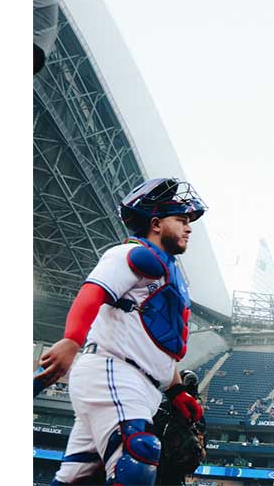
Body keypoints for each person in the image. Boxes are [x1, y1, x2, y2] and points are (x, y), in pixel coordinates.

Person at [36, 178, 209, 484]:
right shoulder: (130, 254)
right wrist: (71, 340)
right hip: (113, 372)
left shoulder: (169, 271)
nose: (189, 227)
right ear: (155, 224)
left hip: (138, 383)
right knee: (139, 454)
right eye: (181, 220)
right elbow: (93, 292)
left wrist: (176, 389)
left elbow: (156, 342)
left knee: (75, 477)